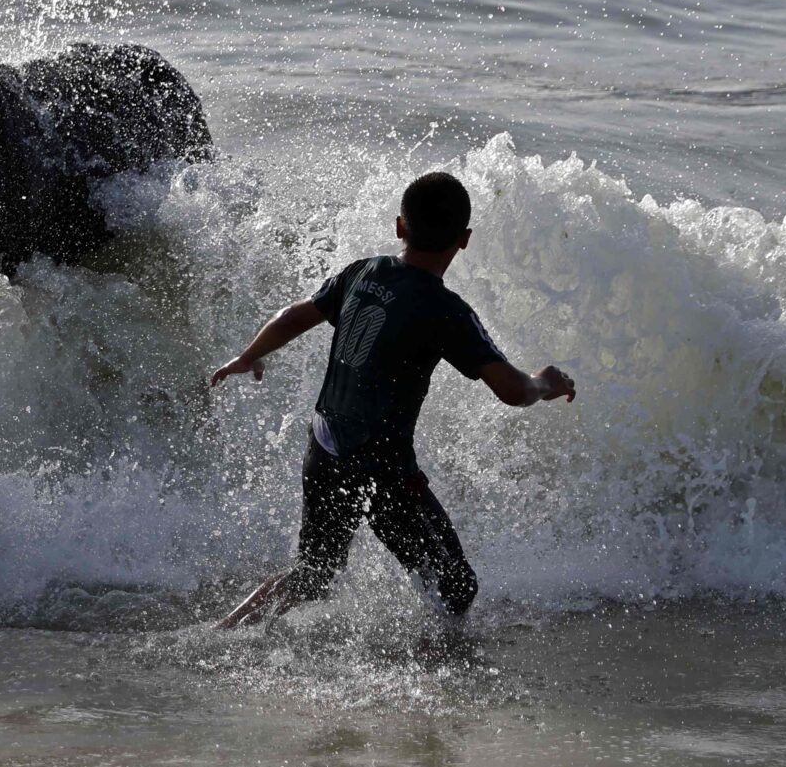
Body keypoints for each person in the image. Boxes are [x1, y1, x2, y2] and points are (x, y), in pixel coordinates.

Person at [207, 171, 576, 630]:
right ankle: (436, 671)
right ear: (464, 240)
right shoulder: (447, 311)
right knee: (457, 587)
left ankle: (223, 631)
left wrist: (248, 356)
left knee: (313, 574)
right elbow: (512, 390)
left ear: (400, 226)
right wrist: (546, 381)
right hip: (382, 468)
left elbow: (293, 316)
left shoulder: (362, 271)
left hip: (325, 446)